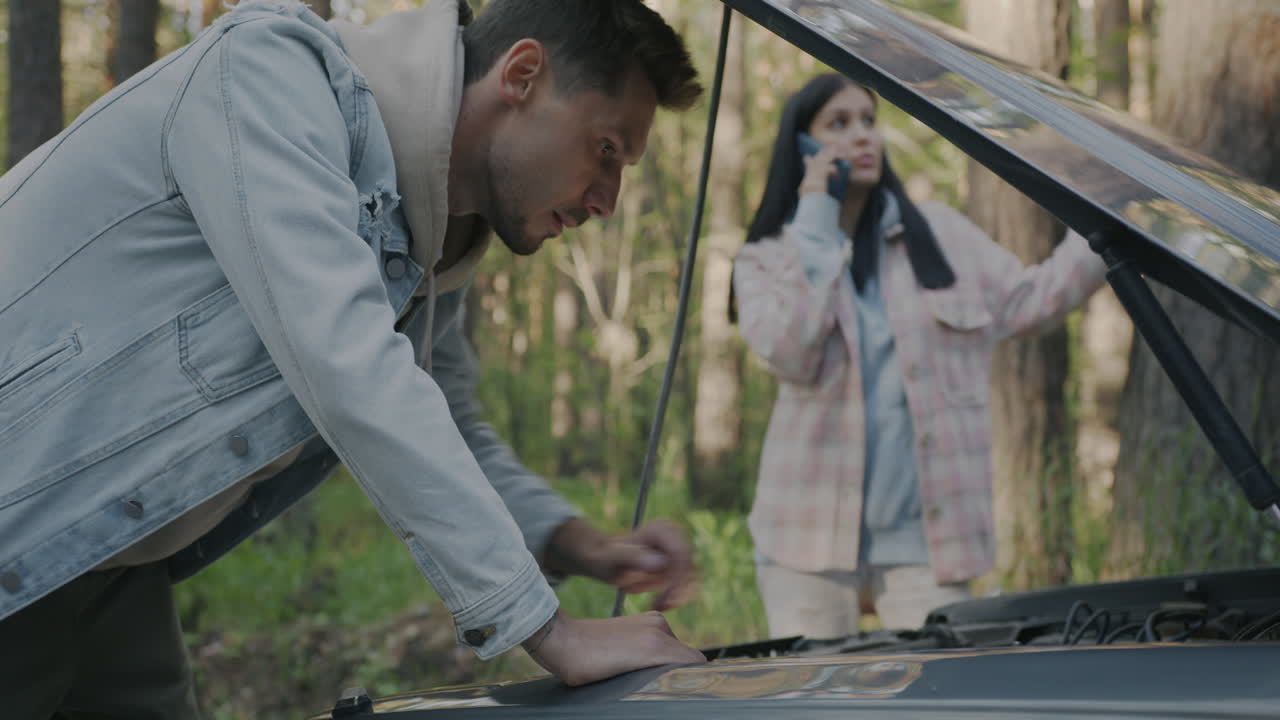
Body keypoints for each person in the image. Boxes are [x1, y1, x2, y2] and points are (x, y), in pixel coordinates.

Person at [0, 0, 708, 715]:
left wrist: (579, 543)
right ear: (521, 75)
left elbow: (445, 426)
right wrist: (548, 630)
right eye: (606, 150)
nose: (609, 201)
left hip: (111, 563)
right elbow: (347, 362)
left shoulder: (429, 241)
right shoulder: (268, 77)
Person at [732, 73, 1106, 639]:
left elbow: (1032, 302)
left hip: (930, 542)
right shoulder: (765, 260)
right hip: (804, 542)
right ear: (802, 147)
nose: (862, 136)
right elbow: (790, 353)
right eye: (838, 123)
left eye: (868, 121)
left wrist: (1111, 224)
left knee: (935, 695)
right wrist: (816, 217)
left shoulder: (943, 235)